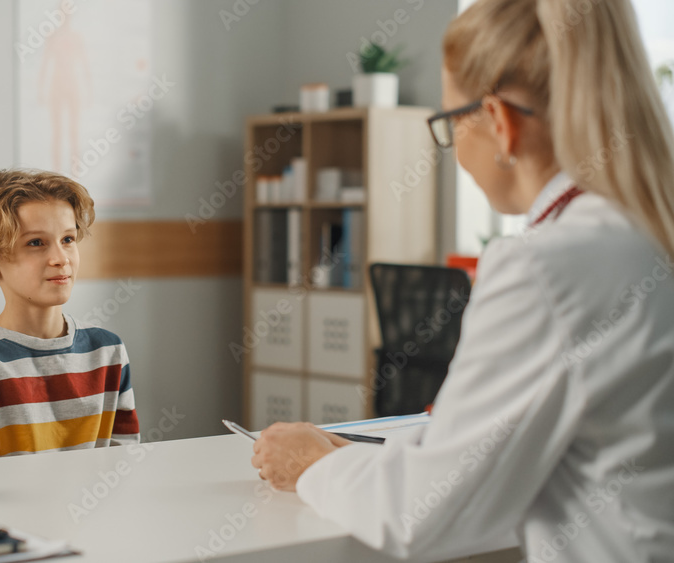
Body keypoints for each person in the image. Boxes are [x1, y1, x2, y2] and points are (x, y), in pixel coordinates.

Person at [251, 0, 674, 560]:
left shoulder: (548, 267)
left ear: (498, 123)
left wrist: (312, 464)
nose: (452, 150)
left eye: (449, 123)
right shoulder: (640, 232)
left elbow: (424, 515)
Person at [0, 168, 140, 461]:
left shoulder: (108, 350)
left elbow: (123, 464)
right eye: (36, 243)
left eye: (68, 239)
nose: (61, 258)